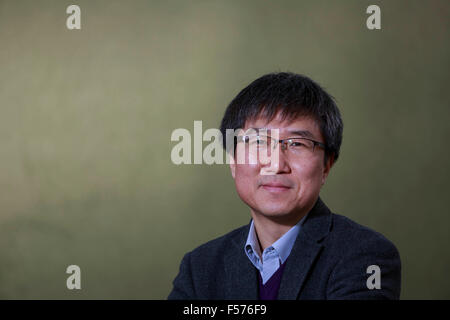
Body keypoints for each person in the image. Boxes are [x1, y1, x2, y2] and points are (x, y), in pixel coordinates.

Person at [168, 72, 401, 300]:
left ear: (326, 166)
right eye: (259, 141)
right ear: (232, 161)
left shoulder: (366, 256)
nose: (276, 164)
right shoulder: (200, 268)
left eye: (297, 143)